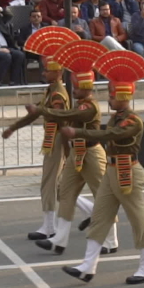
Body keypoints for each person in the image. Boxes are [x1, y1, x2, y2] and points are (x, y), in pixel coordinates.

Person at [62, 51, 144, 285]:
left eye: (112, 95)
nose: (109, 99)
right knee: (101, 216)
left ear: (123, 96)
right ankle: (88, 265)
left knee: (137, 219)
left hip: (127, 172)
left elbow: (109, 134)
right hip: (112, 170)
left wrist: (79, 132)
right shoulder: (117, 117)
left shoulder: (132, 121)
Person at [32, 40, 118, 255]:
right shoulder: (81, 103)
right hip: (77, 153)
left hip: (91, 153)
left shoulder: (89, 107)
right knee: (65, 191)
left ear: (86, 88)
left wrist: (44, 112)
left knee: (102, 194)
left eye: (78, 87)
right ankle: (59, 240)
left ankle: (111, 240)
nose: (75, 90)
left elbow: (67, 115)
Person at [3, 49, 72, 241]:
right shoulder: (51, 91)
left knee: (49, 184)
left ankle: (50, 226)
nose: (43, 73)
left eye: (48, 70)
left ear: (58, 73)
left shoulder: (58, 94)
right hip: (53, 139)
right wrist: (14, 127)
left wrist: (39, 110)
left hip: (57, 140)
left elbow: (59, 117)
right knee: (58, 186)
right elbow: (37, 114)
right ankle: (87, 210)